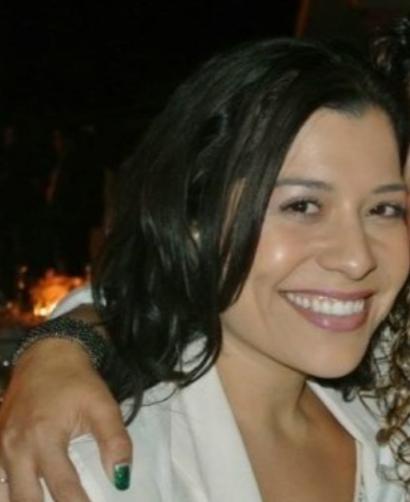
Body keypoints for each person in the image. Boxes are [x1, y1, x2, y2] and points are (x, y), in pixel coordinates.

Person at [2, 36, 410, 501]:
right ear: (193, 220)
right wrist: (61, 345)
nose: (357, 258)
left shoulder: (376, 417)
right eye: (302, 206)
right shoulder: (89, 473)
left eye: (384, 209)